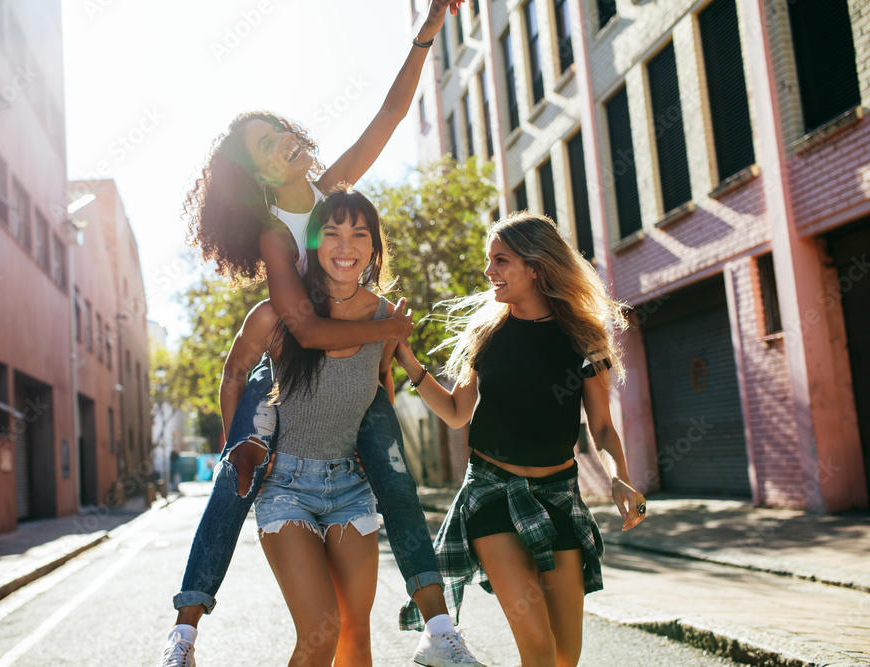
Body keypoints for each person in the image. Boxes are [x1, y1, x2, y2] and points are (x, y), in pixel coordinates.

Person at [160, 3, 483, 666]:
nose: (279, 137)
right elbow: (301, 324)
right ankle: (185, 632)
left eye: (276, 127)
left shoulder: (332, 192)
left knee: (393, 472)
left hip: (349, 370)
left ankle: (438, 629)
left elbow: (390, 117)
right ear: (258, 174)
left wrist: (424, 35)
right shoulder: (278, 226)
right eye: (261, 144)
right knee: (236, 475)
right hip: (284, 366)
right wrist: (389, 325)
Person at [394, 213, 648, 667]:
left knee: (565, 655)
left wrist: (619, 479)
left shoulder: (583, 338)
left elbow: (603, 427)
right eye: (489, 261)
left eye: (500, 260)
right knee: (538, 648)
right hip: (492, 495)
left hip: (559, 496)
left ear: (535, 266)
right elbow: (456, 412)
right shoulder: (487, 335)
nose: (489, 271)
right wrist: (409, 363)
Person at [222, 186, 397, 665]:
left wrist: (374, 447)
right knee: (321, 632)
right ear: (313, 244)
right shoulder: (279, 315)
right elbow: (234, 371)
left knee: (356, 636)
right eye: (332, 233)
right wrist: (237, 445)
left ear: (374, 247)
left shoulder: (385, 317)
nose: (345, 245)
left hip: (351, 485)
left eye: (359, 234)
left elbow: (382, 385)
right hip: (285, 486)